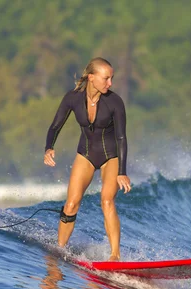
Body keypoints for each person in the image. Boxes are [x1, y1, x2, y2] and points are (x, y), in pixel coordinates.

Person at [44, 57, 131, 261]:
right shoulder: (72, 98)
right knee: (71, 204)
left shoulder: (114, 102)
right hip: (86, 153)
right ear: (91, 78)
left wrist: (122, 172)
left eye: (111, 78)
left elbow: (121, 137)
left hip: (111, 156)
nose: (110, 83)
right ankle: (60, 249)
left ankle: (115, 256)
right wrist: (49, 147)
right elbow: (55, 126)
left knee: (107, 200)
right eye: (106, 78)